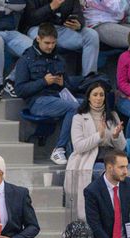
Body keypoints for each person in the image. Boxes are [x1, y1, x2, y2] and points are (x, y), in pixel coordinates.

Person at [14, 22, 81, 165]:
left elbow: (69, 86)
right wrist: (43, 82)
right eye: (47, 43)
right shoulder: (26, 59)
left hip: (58, 97)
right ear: (38, 39)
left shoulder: (59, 59)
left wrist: (63, 84)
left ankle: (78, 150)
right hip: (38, 101)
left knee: (87, 104)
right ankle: (59, 149)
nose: (50, 46)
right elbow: (20, 90)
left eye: (53, 43)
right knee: (74, 107)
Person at [66, 81, 126, 220]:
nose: (98, 98)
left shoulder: (113, 116)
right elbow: (79, 146)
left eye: (101, 95)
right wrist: (99, 135)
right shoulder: (79, 117)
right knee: (103, 172)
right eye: (95, 95)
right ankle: (105, 214)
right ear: (88, 97)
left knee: (129, 172)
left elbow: (122, 147)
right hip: (90, 158)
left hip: (111, 156)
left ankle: (122, 214)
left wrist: (116, 136)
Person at [20, 0, 100, 77]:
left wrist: (79, 24)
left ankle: (89, 79)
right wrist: (50, 7)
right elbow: (29, 20)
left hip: (62, 30)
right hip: (38, 28)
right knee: (40, 37)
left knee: (91, 35)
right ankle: (42, 77)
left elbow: (78, 13)